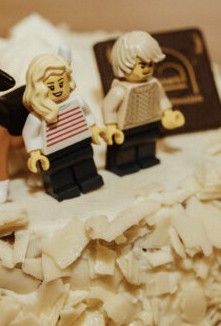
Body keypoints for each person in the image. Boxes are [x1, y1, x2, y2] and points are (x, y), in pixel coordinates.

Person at [22, 53, 107, 201]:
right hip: (54, 151)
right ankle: (63, 188)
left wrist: (94, 129)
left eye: (61, 84)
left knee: (85, 162)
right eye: (51, 86)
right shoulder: (38, 116)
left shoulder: (77, 100)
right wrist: (35, 153)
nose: (58, 89)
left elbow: (87, 115)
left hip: (81, 142)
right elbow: (30, 135)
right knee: (59, 171)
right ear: (38, 88)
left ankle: (89, 180)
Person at [100, 30, 185, 175]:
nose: (148, 69)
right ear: (124, 64)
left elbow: (162, 99)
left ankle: (146, 158)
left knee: (148, 141)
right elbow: (108, 107)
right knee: (125, 147)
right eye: (142, 65)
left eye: (150, 64)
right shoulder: (120, 90)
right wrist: (111, 126)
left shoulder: (155, 84)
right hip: (126, 128)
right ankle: (123, 163)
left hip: (150, 122)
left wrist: (168, 113)